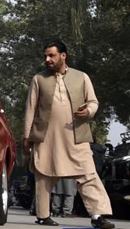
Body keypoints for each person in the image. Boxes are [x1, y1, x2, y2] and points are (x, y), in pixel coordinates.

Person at [23, 41, 115, 229]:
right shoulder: (39, 79)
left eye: (52, 55)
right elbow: (30, 109)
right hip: (46, 136)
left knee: (88, 173)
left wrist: (88, 111)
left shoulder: (81, 77)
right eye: (46, 56)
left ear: (63, 56)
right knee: (44, 174)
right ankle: (43, 216)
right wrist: (26, 136)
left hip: (76, 136)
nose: (47, 59)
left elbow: (93, 102)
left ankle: (98, 215)